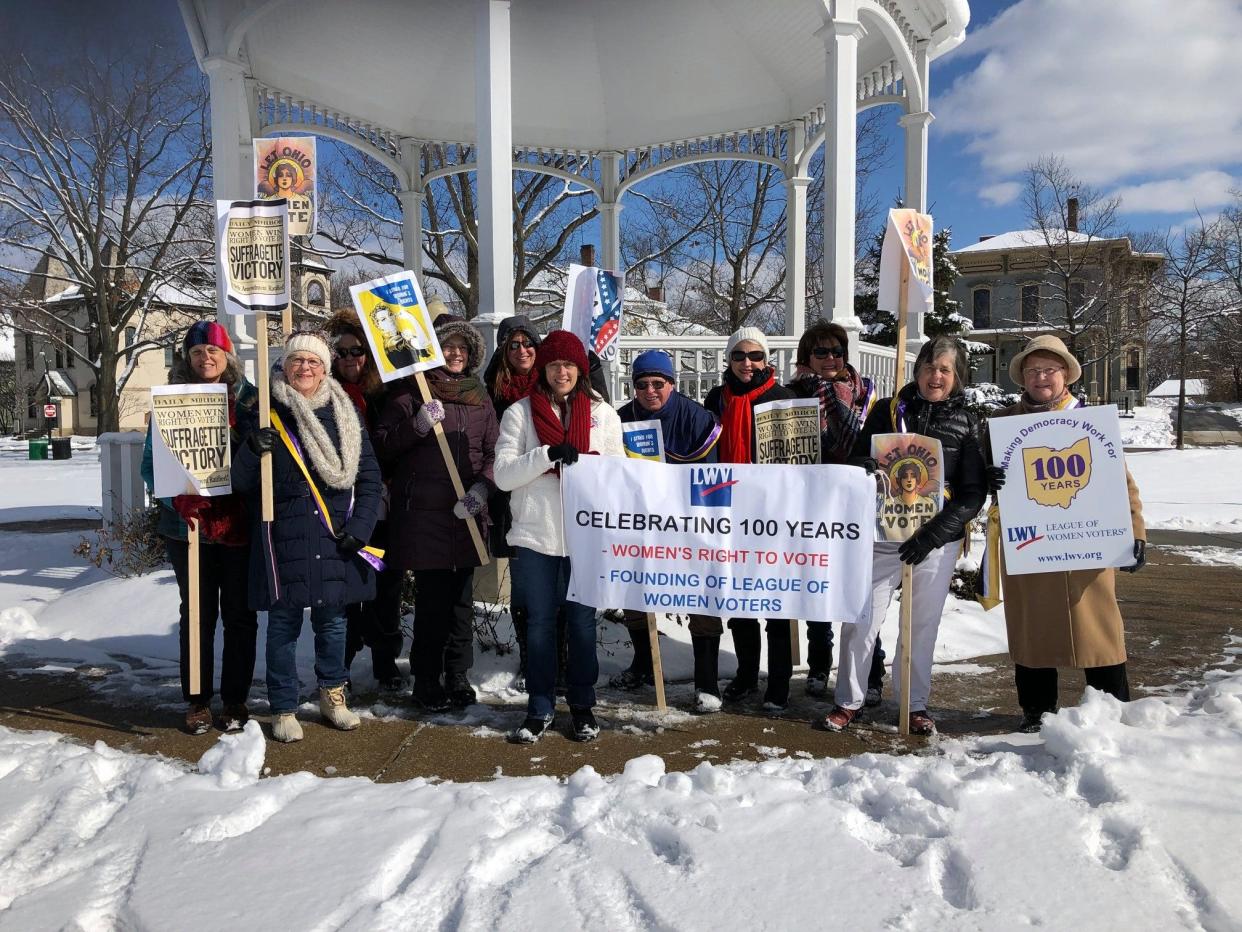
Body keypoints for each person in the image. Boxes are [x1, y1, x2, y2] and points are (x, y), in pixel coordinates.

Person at [821, 335, 987, 736]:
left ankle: (913, 704)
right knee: (861, 618)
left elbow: (972, 493)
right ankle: (849, 700)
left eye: (945, 370)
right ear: (917, 371)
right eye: (929, 367)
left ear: (957, 376)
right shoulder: (889, 411)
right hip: (884, 532)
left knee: (921, 624)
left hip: (935, 540)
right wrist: (865, 466)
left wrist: (932, 536)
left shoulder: (969, 421)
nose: (936, 376)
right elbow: (859, 459)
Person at [986, 335, 1146, 733]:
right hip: (1031, 545)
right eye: (1033, 370)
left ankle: (1111, 709)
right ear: (1023, 377)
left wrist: (1136, 533)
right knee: (1033, 631)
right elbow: (976, 479)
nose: (1041, 377)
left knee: (1098, 630)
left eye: (1049, 370)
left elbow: (1122, 483)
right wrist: (988, 476)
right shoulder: (1003, 424)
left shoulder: (1090, 422)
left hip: (1087, 543)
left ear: (1065, 376)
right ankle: (1036, 712)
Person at [233, 330, 382, 743]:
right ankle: (283, 706)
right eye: (297, 360)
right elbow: (241, 481)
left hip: (335, 535)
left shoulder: (346, 412)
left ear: (325, 368)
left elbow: (369, 477)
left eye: (313, 362)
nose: (304, 368)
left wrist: (361, 527)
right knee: (282, 624)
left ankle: (333, 696)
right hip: (284, 535)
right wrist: (251, 448)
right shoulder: (266, 409)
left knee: (333, 623)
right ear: (284, 365)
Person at [494, 330, 624, 743]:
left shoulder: (603, 415)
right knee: (540, 626)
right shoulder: (519, 413)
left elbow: (619, 474)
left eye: (569, 365)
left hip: (585, 536)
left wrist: (593, 464)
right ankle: (539, 707)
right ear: (544, 369)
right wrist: (546, 454)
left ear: (580, 370)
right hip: (536, 536)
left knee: (583, 624)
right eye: (554, 365)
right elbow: (503, 475)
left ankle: (583, 707)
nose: (562, 371)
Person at [375, 315, 498, 712]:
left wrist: (483, 489)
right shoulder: (411, 394)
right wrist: (419, 424)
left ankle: (458, 675)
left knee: (462, 602)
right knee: (432, 603)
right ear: (432, 350)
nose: (456, 353)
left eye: (463, 347)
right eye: (448, 346)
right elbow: (382, 447)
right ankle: (426, 679)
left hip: (467, 515)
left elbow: (497, 451)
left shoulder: (480, 397)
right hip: (425, 517)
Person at [140, 321, 258, 735]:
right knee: (197, 614)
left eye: (213, 351)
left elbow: (268, 458)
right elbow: (150, 466)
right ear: (186, 359)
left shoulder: (248, 402)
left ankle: (235, 698)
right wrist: (178, 498)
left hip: (237, 524)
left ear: (227, 357)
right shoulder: (171, 402)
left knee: (240, 615)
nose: (205, 358)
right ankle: (197, 700)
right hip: (186, 527)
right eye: (196, 352)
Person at [611, 350, 724, 712]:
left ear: (671, 384)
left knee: (702, 599)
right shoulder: (622, 419)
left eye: (657, 384)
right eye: (641, 384)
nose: (649, 391)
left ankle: (706, 682)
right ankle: (643, 664)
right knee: (634, 594)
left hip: (690, 524)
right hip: (641, 525)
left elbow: (711, 479)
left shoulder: (697, 418)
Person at [786, 321, 886, 703]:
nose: (830, 359)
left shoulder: (867, 396)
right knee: (818, 590)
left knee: (861, 595)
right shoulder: (794, 395)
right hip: (812, 504)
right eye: (820, 352)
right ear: (806, 357)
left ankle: (870, 671)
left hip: (857, 505)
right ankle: (818, 666)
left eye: (836, 352)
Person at [702, 327, 798, 713]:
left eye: (755, 356)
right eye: (739, 355)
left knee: (776, 604)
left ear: (767, 360)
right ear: (729, 360)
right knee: (740, 600)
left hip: (774, 515)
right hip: (730, 511)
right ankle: (746, 673)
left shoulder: (784, 399)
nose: (747, 363)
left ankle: (778, 684)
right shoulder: (716, 398)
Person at [325, 309, 404, 693]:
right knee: (345, 588)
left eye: (357, 350)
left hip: (381, 508)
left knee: (384, 585)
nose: (350, 359)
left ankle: (385, 661)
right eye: (341, 353)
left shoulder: (384, 393)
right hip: (340, 508)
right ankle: (340, 663)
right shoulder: (326, 396)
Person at [482, 315, 542, 685]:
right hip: (511, 495)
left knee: (558, 584)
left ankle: (560, 659)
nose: (522, 350)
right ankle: (531, 658)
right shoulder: (492, 388)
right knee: (523, 584)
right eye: (513, 344)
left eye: (527, 342)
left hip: (553, 494)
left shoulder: (556, 377)